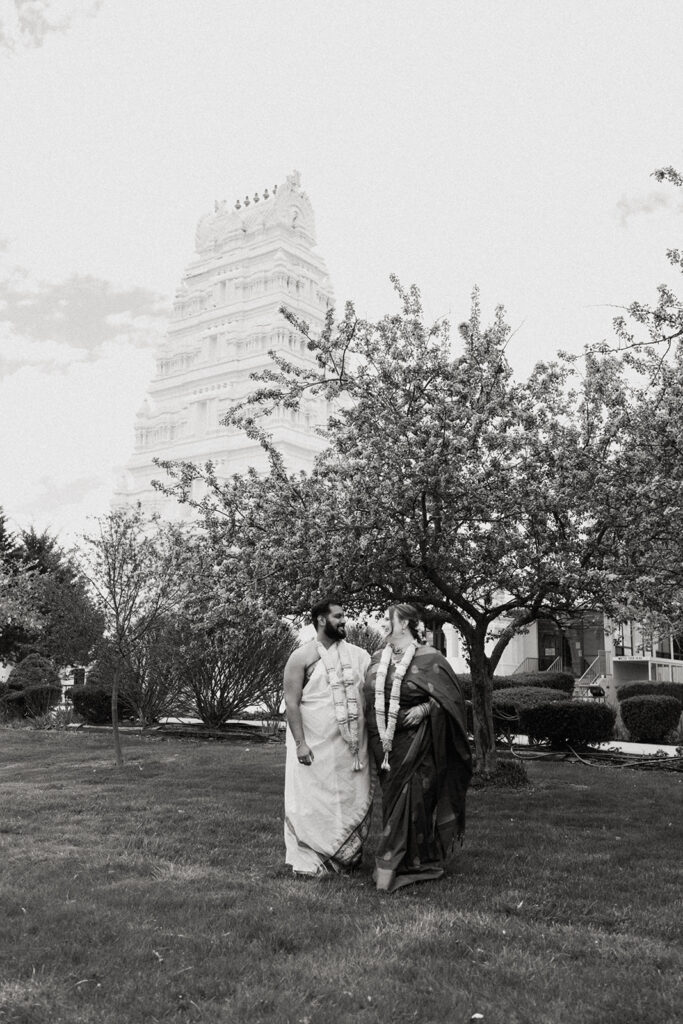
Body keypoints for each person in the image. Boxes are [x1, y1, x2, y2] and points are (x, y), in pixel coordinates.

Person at [364, 603, 472, 892]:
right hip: (386, 745)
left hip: (419, 743)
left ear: (407, 624)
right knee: (392, 800)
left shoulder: (430, 659)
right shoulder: (379, 657)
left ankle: (402, 862)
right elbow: (370, 695)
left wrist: (426, 709)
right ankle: (412, 859)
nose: (385, 623)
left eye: (390, 618)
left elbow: (452, 701)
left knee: (415, 800)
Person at [283, 597, 372, 875]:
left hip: (351, 749)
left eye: (344, 616)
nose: (344, 621)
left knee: (347, 797)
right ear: (322, 620)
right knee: (313, 802)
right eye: (338, 616)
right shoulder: (301, 657)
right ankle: (311, 863)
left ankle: (347, 858)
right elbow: (292, 703)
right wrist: (300, 744)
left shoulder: (359, 656)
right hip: (313, 746)